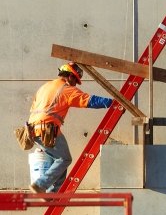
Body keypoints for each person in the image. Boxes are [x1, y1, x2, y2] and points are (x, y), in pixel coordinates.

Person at [28, 62, 113, 194]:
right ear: (70, 76)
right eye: (75, 81)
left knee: (59, 161)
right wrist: (112, 103)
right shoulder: (65, 89)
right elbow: (89, 100)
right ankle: (41, 184)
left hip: (33, 129)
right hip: (48, 128)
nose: (75, 84)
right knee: (64, 159)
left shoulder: (46, 86)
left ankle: (53, 194)